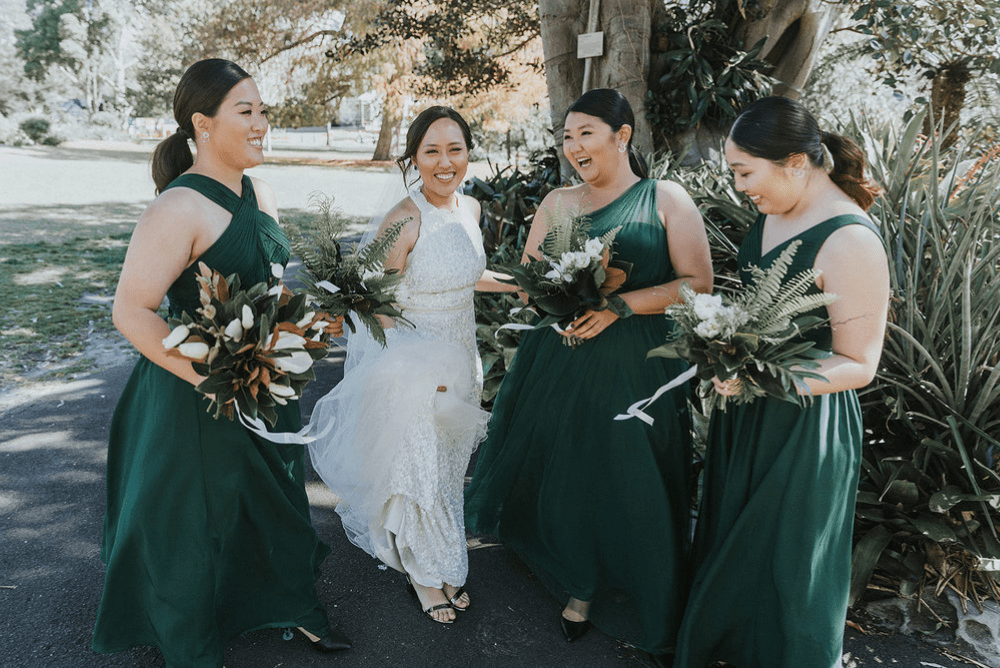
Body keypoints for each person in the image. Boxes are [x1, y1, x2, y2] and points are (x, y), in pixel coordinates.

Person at [92, 59, 351, 667]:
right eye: (246, 111)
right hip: (193, 392)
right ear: (202, 124)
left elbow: (270, 288)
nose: (262, 123)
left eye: (264, 110)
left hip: (261, 379)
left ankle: (287, 603)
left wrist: (304, 324)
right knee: (190, 523)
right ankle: (190, 642)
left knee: (273, 501)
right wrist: (217, 378)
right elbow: (131, 311)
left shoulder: (262, 192)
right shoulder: (176, 208)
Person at [464, 88, 714, 657]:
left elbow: (699, 283)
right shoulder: (558, 203)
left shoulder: (666, 198)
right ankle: (581, 585)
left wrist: (620, 305)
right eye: (567, 137)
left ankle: (649, 585)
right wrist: (557, 297)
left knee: (633, 471)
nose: (574, 147)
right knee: (575, 468)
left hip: (640, 364)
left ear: (621, 136)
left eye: (586, 134)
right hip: (565, 357)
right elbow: (532, 281)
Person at [673, 96, 890, 668]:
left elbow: (859, 363)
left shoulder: (851, 240)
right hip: (746, 410)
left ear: (795, 162)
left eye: (746, 172)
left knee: (787, 562)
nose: (741, 186)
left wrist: (758, 378)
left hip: (804, 425)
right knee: (735, 546)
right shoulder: (776, 209)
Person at [307, 106, 516, 625]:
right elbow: (375, 302)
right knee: (420, 466)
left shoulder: (469, 208)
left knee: (447, 468)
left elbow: (469, 274)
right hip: (415, 364)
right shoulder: (405, 215)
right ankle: (426, 576)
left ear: (469, 152)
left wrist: (525, 287)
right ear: (414, 157)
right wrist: (418, 364)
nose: (445, 163)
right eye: (432, 151)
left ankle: (442, 556)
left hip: (463, 357)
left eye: (455, 149)